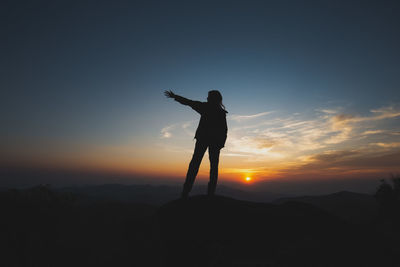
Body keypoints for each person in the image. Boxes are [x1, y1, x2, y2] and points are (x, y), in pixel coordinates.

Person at [164, 90, 228, 198]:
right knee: (212, 167)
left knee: (195, 165)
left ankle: (186, 192)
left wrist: (175, 96)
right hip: (213, 142)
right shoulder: (219, 112)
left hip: (204, 139)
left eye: (208, 97)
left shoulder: (206, 108)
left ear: (212, 98)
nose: (207, 98)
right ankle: (210, 193)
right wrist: (221, 143)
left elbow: (189, 102)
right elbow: (224, 130)